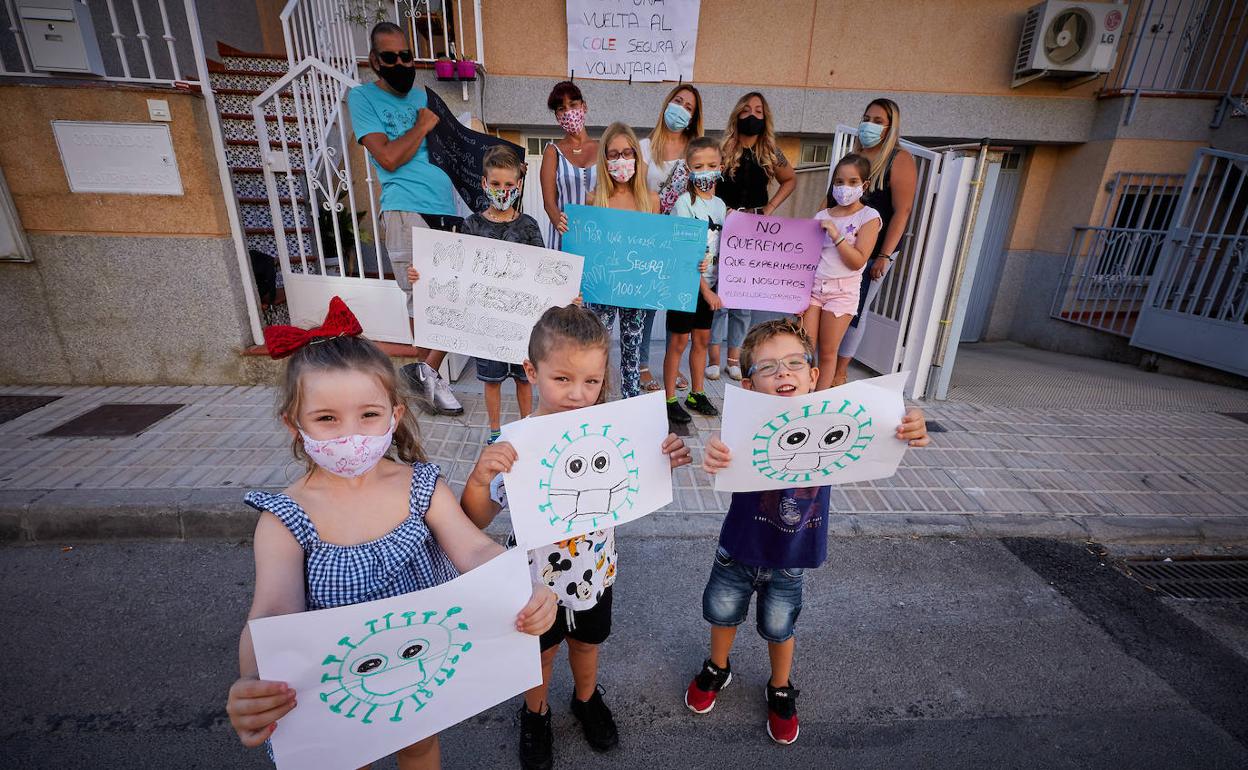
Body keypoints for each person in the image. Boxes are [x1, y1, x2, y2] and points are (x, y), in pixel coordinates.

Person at [225, 297, 558, 769]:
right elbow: (272, 612)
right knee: (349, 757)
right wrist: (253, 681)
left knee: (419, 745)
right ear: (294, 425)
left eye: (368, 415)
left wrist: (523, 590)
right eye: (326, 418)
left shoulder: (421, 485)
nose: (350, 434)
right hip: (335, 688)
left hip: (417, 670)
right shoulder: (285, 517)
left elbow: (474, 547)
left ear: (394, 416)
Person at [461, 304, 692, 770]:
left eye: (590, 381)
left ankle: (586, 700)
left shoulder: (616, 432)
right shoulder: (517, 445)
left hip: (596, 570)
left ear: (604, 374)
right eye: (562, 379)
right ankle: (536, 712)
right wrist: (479, 479)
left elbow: (641, 480)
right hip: (533, 582)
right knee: (539, 654)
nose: (577, 394)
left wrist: (666, 455)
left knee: (588, 643)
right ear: (531, 370)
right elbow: (477, 518)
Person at [684, 318, 929, 744]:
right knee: (723, 615)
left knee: (781, 627)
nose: (783, 372)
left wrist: (911, 424)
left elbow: (889, 425)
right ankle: (717, 667)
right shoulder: (743, 429)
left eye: (795, 363)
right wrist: (716, 455)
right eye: (768, 367)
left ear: (814, 376)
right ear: (748, 385)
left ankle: (780, 686)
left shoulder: (835, 422)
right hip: (738, 550)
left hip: (792, 556)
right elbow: (719, 458)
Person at [348, 21, 464, 416]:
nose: (400, 63)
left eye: (406, 56)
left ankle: (423, 375)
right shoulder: (362, 98)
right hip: (405, 208)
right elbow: (389, 157)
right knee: (423, 299)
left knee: (458, 295)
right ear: (374, 61)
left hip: (446, 209)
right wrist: (421, 125)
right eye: (390, 57)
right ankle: (428, 381)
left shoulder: (424, 95)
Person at [408, 145, 540, 445]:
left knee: (523, 379)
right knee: (491, 382)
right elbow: (455, 270)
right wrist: (422, 276)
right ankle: (495, 433)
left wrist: (564, 295)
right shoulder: (471, 225)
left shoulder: (529, 226)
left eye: (509, 185)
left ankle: (526, 430)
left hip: (521, 324)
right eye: (496, 184)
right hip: (486, 323)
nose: (502, 190)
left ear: (518, 186)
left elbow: (543, 272)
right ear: (484, 183)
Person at [710, 92, 797, 381]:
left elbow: (790, 179)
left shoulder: (770, 151)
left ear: (765, 117)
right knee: (720, 295)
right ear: (737, 113)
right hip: (723, 227)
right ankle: (713, 358)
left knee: (743, 298)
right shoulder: (722, 148)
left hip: (755, 231)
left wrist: (769, 208)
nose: (752, 114)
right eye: (747, 109)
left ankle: (734, 359)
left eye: (759, 111)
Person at [833, 98, 918, 387]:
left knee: (856, 309)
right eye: (867, 117)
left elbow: (902, 211)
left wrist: (883, 255)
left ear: (890, 127)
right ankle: (827, 361)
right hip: (840, 247)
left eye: (879, 121)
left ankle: (840, 370)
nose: (869, 124)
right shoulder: (854, 156)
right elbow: (831, 198)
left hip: (873, 251)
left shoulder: (899, 159)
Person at [638, 84, 704, 393]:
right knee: (647, 305)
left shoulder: (696, 153)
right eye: (677, 101)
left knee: (676, 306)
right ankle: (641, 365)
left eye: (689, 107)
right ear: (667, 103)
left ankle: (672, 366)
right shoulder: (643, 147)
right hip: (650, 237)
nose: (681, 109)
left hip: (682, 239)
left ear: (693, 117)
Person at [586, 123, 660, 400]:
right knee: (596, 349)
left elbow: (659, 247)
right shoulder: (593, 200)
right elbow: (585, 245)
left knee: (633, 351)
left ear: (637, 159)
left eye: (628, 153)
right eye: (614, 154)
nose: (621, 160)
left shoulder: (651, 201)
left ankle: (631, 408)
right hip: (602, 289)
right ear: (604, 160)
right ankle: (596, 403)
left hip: (636, 289)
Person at [802, 154, 881, 390]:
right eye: (838, 181)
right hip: (814, 290)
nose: (844, 187)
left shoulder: (869, 217)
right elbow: (806, 255)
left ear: (864, 185)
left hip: (842, 293)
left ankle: (820, 401)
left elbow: (857, 261)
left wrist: (835, 235)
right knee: (805, 349)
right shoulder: (822, 215)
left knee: (828, 353)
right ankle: (802, 395)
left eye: (852, 182)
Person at [664, 137, 726, 424]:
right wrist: (705, 290)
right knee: (678, 342)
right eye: (699, 166)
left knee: (701, 339)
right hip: (685, 287)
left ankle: (696, 393)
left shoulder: (722, 206)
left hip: (709, 285)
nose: (706, 171)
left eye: (712, 165)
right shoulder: (682, 204)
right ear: (689, 169)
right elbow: (685, 253)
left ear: (721, 167)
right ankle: (669, 398)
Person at [540, 81, 598, 251]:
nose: (568, 112)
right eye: (561, 108)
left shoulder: (603, 149)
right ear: (557, 116)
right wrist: (560, 223)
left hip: (598, 235)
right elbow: (549, 203)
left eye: (573, 105)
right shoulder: (552, 152)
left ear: (584, 106)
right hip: (564, 239)